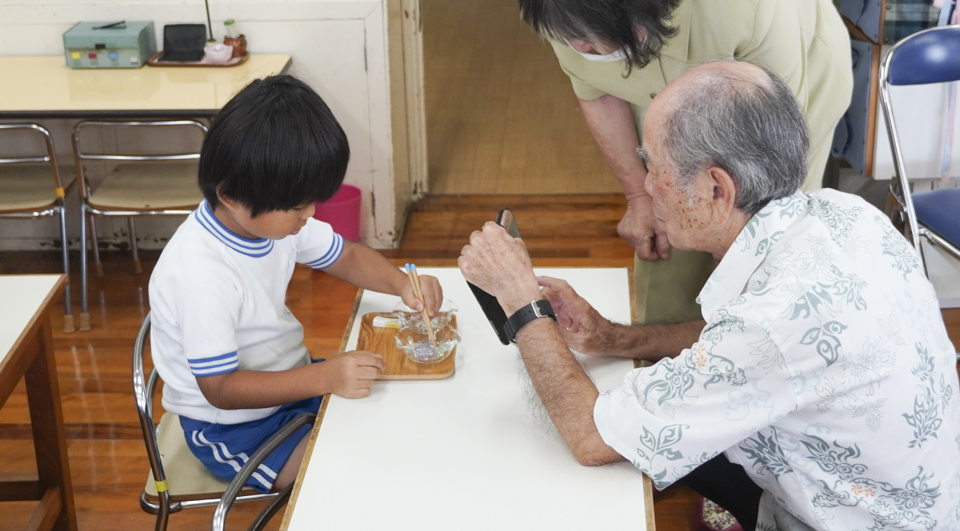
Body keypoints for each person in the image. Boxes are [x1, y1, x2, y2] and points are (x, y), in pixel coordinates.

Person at [458, 61, 960, 531]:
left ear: (717, 189)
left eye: (653, 166)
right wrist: (611, 337)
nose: (646, 186)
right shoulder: (842, 211)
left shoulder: (770, 325)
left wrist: (522, 302)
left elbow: (591, 437)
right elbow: (740, 342)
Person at [517, 0, 854, 330]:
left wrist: (732, 249)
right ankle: (664, 359)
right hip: (668, 98)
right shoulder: (564, 6)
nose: (576, 48)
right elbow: (597, 92)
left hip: (778, 103)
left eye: (586, 41)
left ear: (640, 18)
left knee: (763, 261)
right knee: (666, 237)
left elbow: (772, 150)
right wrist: (639, 197)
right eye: (571, 39)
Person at [148, 75, 442, 493]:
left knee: (392, 421)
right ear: (231, 195)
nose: (310, 214)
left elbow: (346, 256)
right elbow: (221, 389)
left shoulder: (271, 222)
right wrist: (325, 378)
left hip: (292, 383)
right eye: (297, 205)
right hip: (232, 428)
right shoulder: (200, 272)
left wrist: (402, 284)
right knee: (345, 474)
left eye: (311, 201)